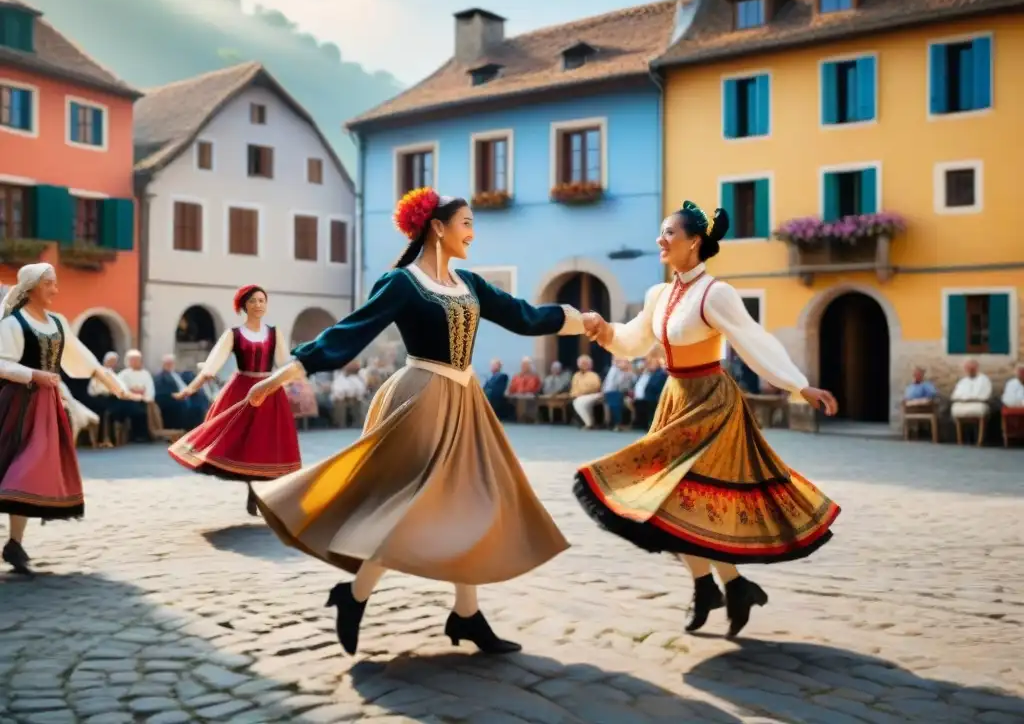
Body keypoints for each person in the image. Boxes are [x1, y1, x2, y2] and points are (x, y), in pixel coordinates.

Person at [248, 188, 584, 656]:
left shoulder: (469, 283)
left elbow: (522, 316)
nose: (472, 231)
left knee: (469, 504)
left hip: (465, 402)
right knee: (413, 507)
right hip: (421, 399)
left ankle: (465, 612)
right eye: (465, 222)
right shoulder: (402, 283)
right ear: (438, 228)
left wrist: (581, 321)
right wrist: (279, 377)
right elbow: (347, 334)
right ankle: (357, 594)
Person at [576, 201, 841, 638]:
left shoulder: (715, 293)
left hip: (712, 405)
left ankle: (717, 588)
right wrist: (604, 330)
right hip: (674, 400)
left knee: (696, 503)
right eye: (661, 233)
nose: (660, 241)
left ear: (694, 242)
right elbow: (634, 340)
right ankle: (720, 586)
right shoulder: (659, 295)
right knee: (669, 503)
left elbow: (754, 340)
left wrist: (799, 385)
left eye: (669, 234)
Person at [0, 264, 137, 574]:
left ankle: (14, 544)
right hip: (15, 405)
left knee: (29, 469)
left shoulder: (58, 323)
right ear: (32, 286)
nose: (55, 290)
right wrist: (35, 374)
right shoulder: (12, 324)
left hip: (46, 407)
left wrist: (117, 386)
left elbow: (85, 360)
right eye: (49, 284)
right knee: (13, 467)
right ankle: (14, 543)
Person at [168, 285, 301, 516]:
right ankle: (252, 487)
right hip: (241, 390)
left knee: (265, 443)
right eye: (253, 301)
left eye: (262, 301)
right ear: (243, 306)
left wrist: (299, 383)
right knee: (239, 442)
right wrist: (190, 389)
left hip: (269, 391)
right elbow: (211, 366)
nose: (259, 305)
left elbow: (285, 363)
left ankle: (257, 493)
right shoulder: (233, 334)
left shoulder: (274, 333)